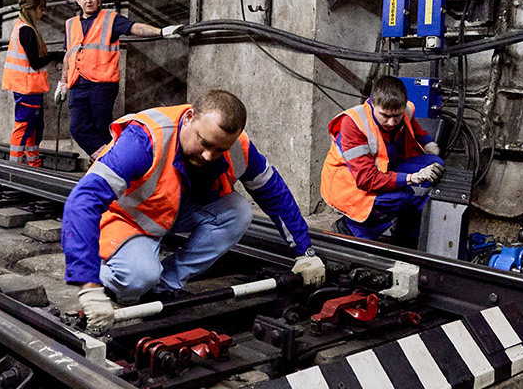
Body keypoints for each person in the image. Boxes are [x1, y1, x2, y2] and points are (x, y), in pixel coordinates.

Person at [61, 88, 326, 331]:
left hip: (174, 212)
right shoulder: (146, 139)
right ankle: (110, 276)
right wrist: (88, 285)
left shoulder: (238, 147)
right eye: (204, 142)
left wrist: (305, 252)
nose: (210, 155)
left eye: (219, 149)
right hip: (131, 218)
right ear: (188, 117)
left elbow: (274, 193)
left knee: (239, 211)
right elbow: (82, 200)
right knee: (138, 278)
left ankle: (164, 286)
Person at [53, 0, 181, 157]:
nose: (89, 1)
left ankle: (105, 165)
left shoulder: (110, 19)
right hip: (77, 85)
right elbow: (69, 55)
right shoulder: (70, 24)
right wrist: (63, 83)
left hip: (102, 86)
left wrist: (161, 32)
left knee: (101, 129)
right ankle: (110, 161)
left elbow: (135, 28)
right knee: (77, 128)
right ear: (77, 0)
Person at [320, 75, 445, 246]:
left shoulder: (404, 111)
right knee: (400, 197)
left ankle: (407, 236)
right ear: (372, 104)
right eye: (385, 116)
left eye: (397, 116)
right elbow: (366, 179)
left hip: (386, 168)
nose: (392, 122)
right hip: (353, 182)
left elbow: (414, 127)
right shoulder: (353, 124)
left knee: (435, 166)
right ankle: (351, 228)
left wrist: (427, 142)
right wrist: (411, 178)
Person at [1, 0, 57, 167]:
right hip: (27, 88)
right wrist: (57, 55)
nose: (42, 13)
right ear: (32, 9)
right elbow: (35, 63)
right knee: (24, 126)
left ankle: (34, 163)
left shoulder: (21, 27)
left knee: (33, 127)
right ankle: (15, 167)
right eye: (41, 9)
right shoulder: (27, 31)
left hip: (29, 88)